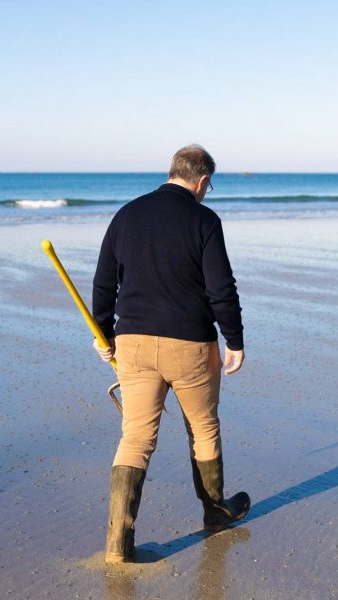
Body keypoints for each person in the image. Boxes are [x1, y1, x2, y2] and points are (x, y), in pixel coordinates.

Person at [91, 144, 250, 564]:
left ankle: (117, 546)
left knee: (136, 437)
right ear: (201, 181)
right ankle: (216, 514)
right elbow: (221, 288)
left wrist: (103, 332)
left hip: (133, 343)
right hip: (190, 344)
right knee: (203, 426)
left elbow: (105, 282)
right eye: (208, 186)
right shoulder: (203, 219)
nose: (206, 191)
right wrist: (234, 339)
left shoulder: (126, 214)